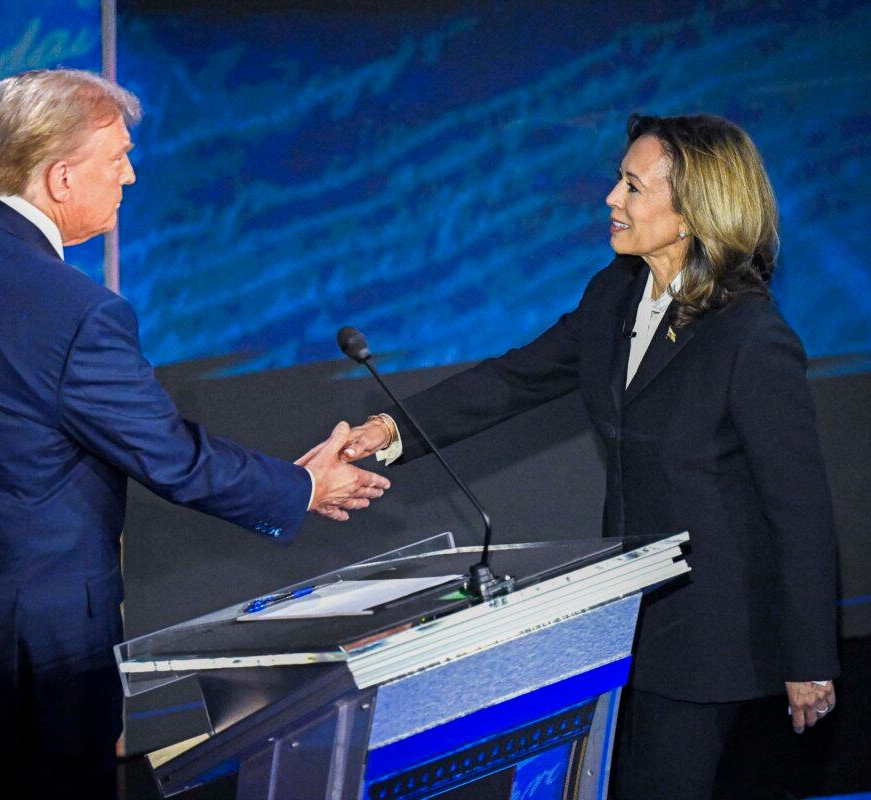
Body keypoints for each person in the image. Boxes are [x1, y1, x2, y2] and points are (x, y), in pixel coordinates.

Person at [0, 68, 390, 798]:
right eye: (117, 156)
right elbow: (172, 456)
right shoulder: (75, 311)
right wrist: (304, 486)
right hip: (33, 663)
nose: (129, 174)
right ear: (60, 177)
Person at [338, 114, 839, 799]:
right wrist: (388, 428)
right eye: (618, 180)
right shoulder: (616, 294)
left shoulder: (751, 336)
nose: (612, 197)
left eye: (633, 186)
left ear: (692, 211)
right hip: (625, 621)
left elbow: (799, 508)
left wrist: (809, 658)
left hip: (711, 634)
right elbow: (514, 379)